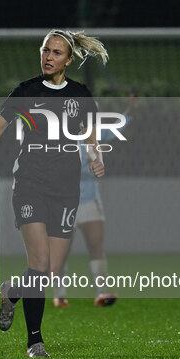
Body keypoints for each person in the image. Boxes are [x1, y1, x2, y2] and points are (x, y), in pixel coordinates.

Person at [0, 29, 108, 357]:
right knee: (38, 263)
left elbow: (90, 131)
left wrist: (94, 156)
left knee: (48, 270)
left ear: (69, 59)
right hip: (30, 187)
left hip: (66, 191)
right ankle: (34, 341)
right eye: (45, 51)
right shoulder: (25, 91)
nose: (49, 57)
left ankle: (11, 292)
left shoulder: (79, 94)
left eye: (56, 53)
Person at [53, 94, 135, 309]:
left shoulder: (95, 135)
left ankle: (102, 291)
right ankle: (59, 295)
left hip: (90, 200)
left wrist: (130, 110)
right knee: (62, 250)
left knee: (96, 245)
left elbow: (117, 128)